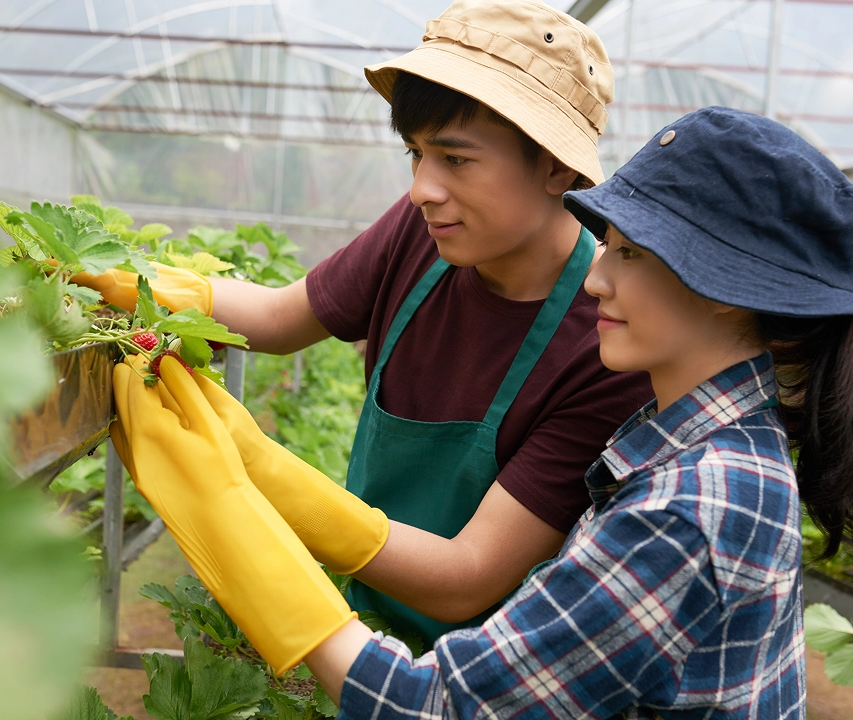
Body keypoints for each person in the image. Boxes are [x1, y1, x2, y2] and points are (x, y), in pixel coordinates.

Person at [111, 106, 853, 717]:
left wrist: (230, 508)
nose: (598, 276)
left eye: (630, 254)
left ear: (724, 287)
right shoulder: (690, 444)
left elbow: (428, 705)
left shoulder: (694, 506)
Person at [80, 0, 653, 646]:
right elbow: (279, 316)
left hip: (492, 675)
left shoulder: (609, 339)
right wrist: (128, 282)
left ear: (556, 166)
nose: (421, 189)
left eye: (455, 159)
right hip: (365, 624)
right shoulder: (422, 234)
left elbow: (469, 575)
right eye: (415, 154)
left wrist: (263, 471)